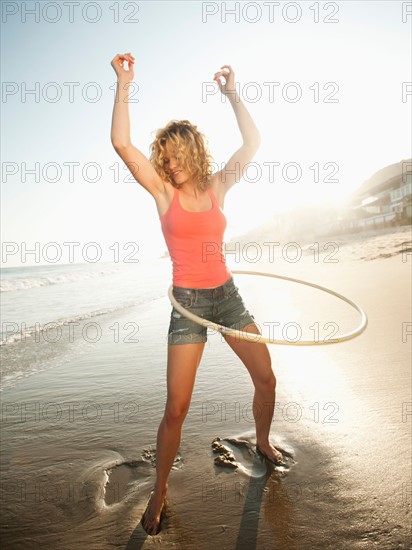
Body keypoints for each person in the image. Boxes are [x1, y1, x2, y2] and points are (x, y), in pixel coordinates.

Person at [110, 52, 284, 536]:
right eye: (162, 155)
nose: (167, 161)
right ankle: (160, 489)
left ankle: (264, 443)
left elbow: (252, 142)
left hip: (226, 297)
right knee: (177, 409)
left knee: (266, 378)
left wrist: (232, 95)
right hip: (187, 305)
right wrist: (125, 83)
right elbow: (121, 142)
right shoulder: (162, 192)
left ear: (192, 151)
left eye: (174, 153)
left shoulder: (217, 187)